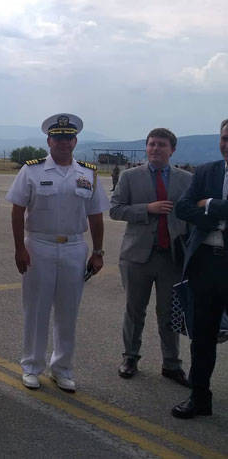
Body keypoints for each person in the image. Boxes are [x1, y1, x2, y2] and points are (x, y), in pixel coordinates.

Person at [6, 113, 109, 393]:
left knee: (68, 311)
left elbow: (96, 215)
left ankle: (62, 369)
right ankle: (31, 366)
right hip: (39, 245)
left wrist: (98, 251)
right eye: (58, 138)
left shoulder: (87, 173)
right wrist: (19, 248)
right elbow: (17, 210)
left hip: (74, 247)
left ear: (75, 141)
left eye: (69, 138)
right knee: (36, 309)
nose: (64, 142)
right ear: (49, 141)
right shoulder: (32, 171)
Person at [109, 128, 192, 385]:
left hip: (172, 257)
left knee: (170, 314)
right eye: (152, 144)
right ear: (146, 147)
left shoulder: (186, 180)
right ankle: (130, 357)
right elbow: (115, 209)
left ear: (172, 150)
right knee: (135, 311)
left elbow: (192, 215)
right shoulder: (130, 176)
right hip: (137, 256)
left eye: (161, 145)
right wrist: (147, 209)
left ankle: (171, 364)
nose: (155, 148)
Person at [172, 118, 228, 419]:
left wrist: (209, 204)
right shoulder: (207, 171)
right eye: (225, 138)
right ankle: (199, 397)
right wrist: (213, 214)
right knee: (203, 336)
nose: (227, 145)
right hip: (205, 263)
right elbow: (182, 207)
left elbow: (197, 206)